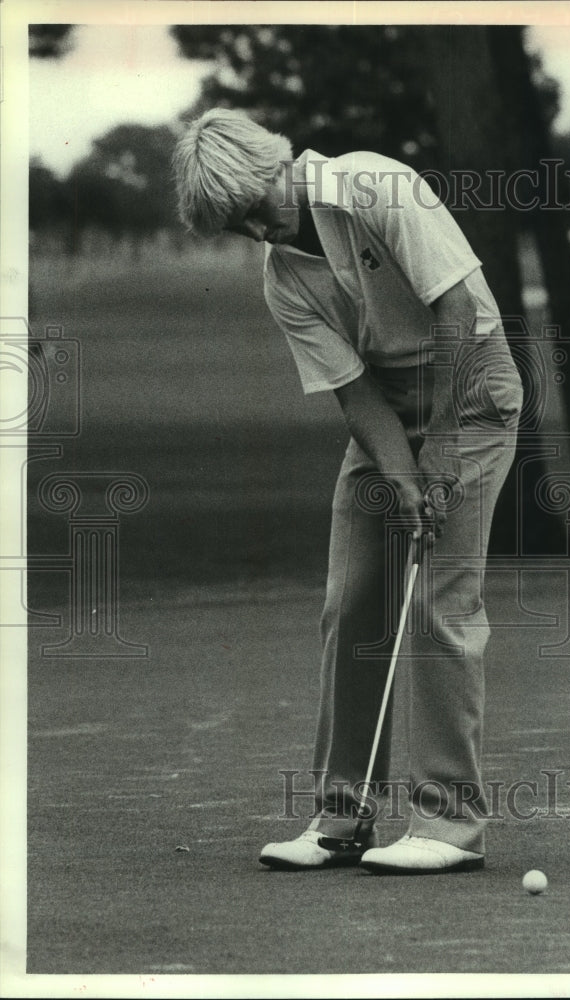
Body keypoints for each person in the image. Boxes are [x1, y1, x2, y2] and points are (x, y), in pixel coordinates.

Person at [173, 108, 523, 874]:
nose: (260, 231)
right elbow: (355, 392)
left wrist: (443, 448)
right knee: (354, 597)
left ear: (277, 167)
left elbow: (459, 309)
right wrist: (401, 471)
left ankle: (448, 825)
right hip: (388, 411)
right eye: (239, 226)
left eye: (259, 208)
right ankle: (342, 819)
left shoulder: (373, 185)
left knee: (440, 601)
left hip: (471, 390)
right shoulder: (283, 278)